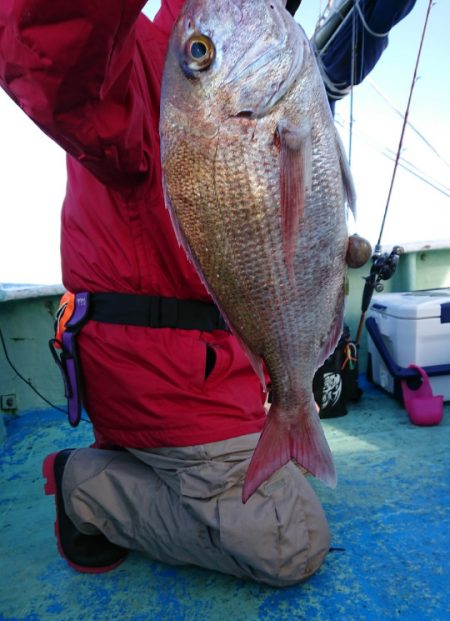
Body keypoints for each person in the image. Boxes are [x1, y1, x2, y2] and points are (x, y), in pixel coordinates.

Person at [0, 0, 330, 587]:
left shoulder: (267, 54)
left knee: (289, 486)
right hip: (159, 375)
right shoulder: (154, 61)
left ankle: (140, 467)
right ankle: (85, 488)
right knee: (291, 540)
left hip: (216, 365)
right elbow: (48, 41)